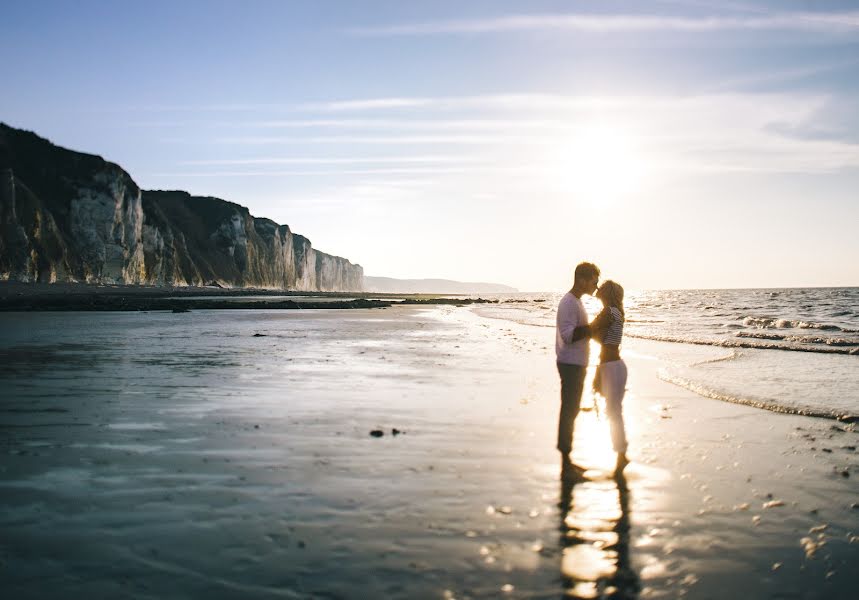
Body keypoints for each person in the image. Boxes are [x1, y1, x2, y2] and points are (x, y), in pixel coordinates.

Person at [555, 262, 599, 477]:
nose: (596, 285)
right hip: (570, 363)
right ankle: (566, 463)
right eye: (594, 281)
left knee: (571, 410)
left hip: (575, 362)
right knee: (569, 410)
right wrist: (594, 328)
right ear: (581, 279)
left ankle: (567, 461)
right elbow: (568, 335)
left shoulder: (577, 302)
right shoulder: (569, 303)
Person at [590, 280, 629, 474]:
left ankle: (621, 454)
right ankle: (620, 452)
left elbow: (590, 330)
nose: (598, 290)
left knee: (613, 412)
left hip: (611, 367)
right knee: (613, 411)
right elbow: (603, 342)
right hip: (614, 365)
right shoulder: (617, 312)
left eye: (601, 289)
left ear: (607, 293)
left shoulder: (609, 312)